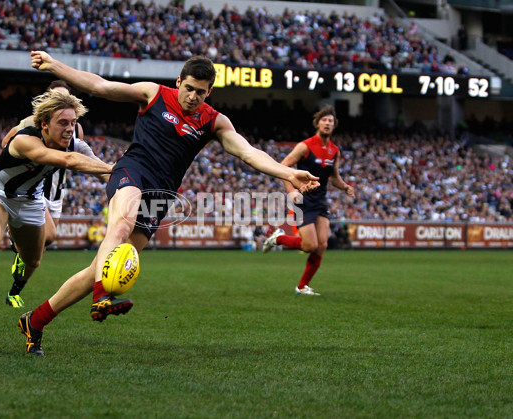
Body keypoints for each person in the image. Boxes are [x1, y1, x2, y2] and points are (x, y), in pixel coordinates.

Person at [17, 51, 320, 355]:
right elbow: (101, 86)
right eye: (188, 88)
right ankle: (102, 297)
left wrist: (288, 172)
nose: (192, 96)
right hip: (132, 170)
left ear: (209, 92)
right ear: (179, 81)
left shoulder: (214, 121)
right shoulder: (154, 94)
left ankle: (37, 319)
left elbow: (249, 152)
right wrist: (54, 65)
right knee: (120, 224)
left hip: (160, 196)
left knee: (100, 266)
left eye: (200, 92)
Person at [0, 89, 115, 344]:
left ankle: (17, 269)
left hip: (31, 202)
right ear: (44, 124)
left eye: (73, 123)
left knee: (34, 259)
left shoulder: (74, 145)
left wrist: (127, 180)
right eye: (63, 123)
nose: (69, 129)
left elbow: (103, 172)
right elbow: (66, 160)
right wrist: (112, 167)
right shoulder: (25, 140)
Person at [1, 80, 109, 309]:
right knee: (47, 236)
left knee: (43, 245)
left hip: (57, 191)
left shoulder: (75, 128)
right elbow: (8, 140)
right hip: (35, 188)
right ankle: (16, 236)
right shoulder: (31, 123)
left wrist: (113, 172)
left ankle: (15, 288)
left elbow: (81, 154)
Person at [262, 105, 354, 295]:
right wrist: (290, 191)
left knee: (322, 246)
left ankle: (302, 286)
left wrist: (345, 187)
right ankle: (278, 238)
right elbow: (283, 167)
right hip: (302, 201)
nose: (327, 123)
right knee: (309, 245)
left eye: (331, 121)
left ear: (334, 125)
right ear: (318, 123)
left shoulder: (334, 150)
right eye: (324, 120)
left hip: (320, 202)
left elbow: (334, 177)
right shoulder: (305, 146)